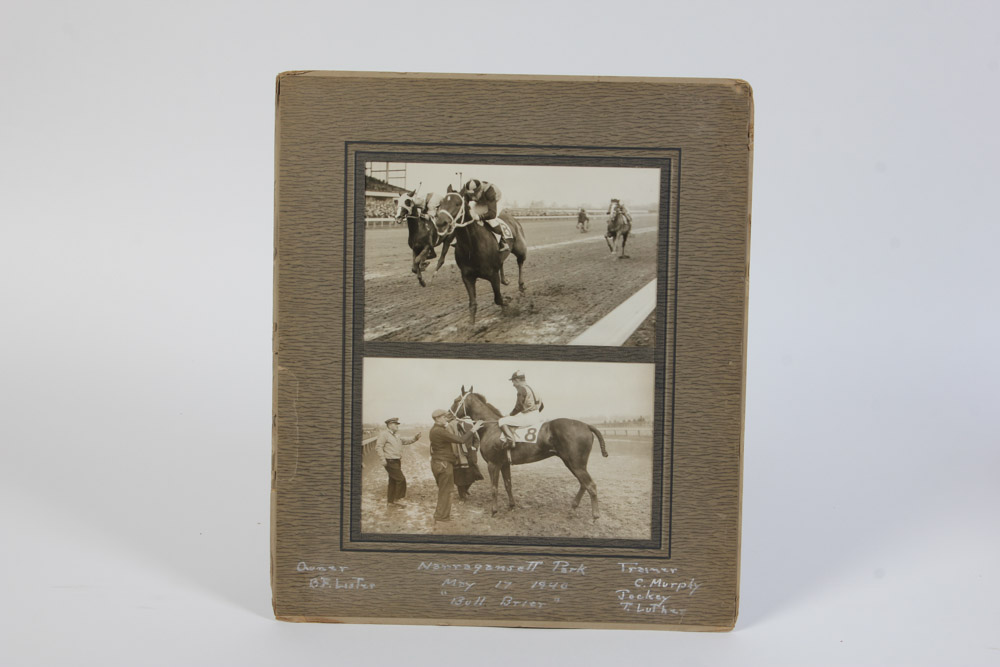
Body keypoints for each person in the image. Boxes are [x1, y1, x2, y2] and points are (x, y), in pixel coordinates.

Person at [428, 409, 482, 522]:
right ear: (437, 419)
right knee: (446, 491)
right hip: (444, 464)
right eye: (444, 417)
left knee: (443, 491)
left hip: (439, 463)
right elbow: (461, 440)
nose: (446, 419)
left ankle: (440, 515)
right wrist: (474, 429)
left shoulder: (435, 430)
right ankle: (442, 517)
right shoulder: (439, 431)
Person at [374, 417, 421, 507]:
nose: (397, 426)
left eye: (397, 424)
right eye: (395, 424)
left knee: (393, 481)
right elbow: (378, 447)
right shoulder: (384, 434)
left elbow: (406, 441)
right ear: (390, 425)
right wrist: (382, 459)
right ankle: (397, 499)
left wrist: (415, 438)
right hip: (389, 461)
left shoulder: (396, 435)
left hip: (396, 460)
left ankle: (390, 502)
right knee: (401, 479)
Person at [497, 371, 543, 450]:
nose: (513, 384)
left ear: (517, 380)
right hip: (537, 416)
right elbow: (542, 406)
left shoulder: (522, 389)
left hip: (528, 418)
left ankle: (511, 441)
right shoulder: (534, 389)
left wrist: (509, 415)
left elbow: (518, 407)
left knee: (502, 421)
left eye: (513, 382)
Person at [460, 178, 509, 252]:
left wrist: (480, 217)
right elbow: (465, 204)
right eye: (471, 195)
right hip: (482, 201)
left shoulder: (490, 191)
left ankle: (503, 242)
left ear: (480, 190)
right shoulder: (468, 192)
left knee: (491, 221)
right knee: (469, 217)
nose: (472, 197)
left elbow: (492, 214)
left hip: (496, 200)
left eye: (474, 194)